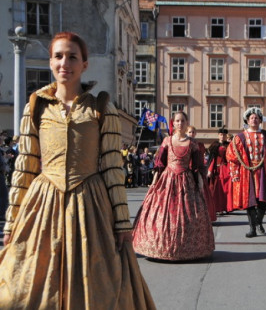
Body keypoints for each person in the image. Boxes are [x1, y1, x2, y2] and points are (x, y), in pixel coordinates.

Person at [0, 32, 154, 308]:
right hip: (43, 206)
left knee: (98, 287)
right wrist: (11, 223)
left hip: (90, 206)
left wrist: (121, 222)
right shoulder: (36, 107)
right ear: (50, 62)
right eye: (58, 56)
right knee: (23, 287)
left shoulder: (100, 108)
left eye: (72, 57)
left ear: (84, 64)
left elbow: (112, 168)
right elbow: (24, 169)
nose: (64, 63)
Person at [133, 113, 215, 260]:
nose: (180, 123)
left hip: (186, 180)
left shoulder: (192, 143)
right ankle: (160, 246)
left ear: (186, 122)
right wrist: (154, 182)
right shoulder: (167, 141)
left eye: (183, 121)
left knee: (190, 213)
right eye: (177, 121)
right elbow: (160, 164)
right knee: (161, 212)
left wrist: (200, 183)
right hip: (167, 179)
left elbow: (197, 165)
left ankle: (188, 248)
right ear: (173, 123)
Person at [226, 107, 266, 238]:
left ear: (260, 120)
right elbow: (233, 157)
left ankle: (258, 222)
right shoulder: (239, 137)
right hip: (247, 172)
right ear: (247, 120)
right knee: (249, 201)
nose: (254, 120)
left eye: (257, 118)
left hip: (264, 172)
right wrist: (235, 174)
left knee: (263, 200)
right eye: (252, 118)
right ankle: (252, 228)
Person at [207, 126, 231, 216]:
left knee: (226, 189)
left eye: (224, 135)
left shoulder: (229, 145)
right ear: (218, 135)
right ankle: (217, 207)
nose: (222, 136)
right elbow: (212, 159)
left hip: (226, 169)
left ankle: (227, 207)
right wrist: (209, 170)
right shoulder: (214, 145)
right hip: (216, 169)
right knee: (216, 189)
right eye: (221, 134)